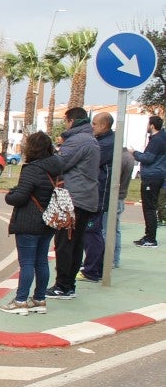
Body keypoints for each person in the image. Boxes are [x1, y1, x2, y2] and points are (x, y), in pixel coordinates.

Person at [0, 131, 61, 314]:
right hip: (49, 220)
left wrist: (10, 195)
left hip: (29, 221)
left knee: (26, 262)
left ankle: (20, 301)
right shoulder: (56, 166)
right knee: (41, 261)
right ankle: (39, 299)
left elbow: (20, 196)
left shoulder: (32, 168)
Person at [47, 107, 100, 299]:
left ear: (71, 121)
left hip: (73, 199)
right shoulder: (90, 139)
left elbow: (59, 164)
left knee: (65, 242)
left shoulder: (77, 141)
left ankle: (62, 285)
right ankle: (69, 285)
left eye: (65, 121)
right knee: (75, 243)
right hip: (85, 197)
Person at [81, 112, 115, 281]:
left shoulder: (106, 144)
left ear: (103, 125)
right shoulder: (104, 141)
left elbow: (90, 163)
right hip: (98, 191)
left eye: (94, 123)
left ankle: (92, 270)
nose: (92, 127)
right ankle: (95, 267)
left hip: (99, 193)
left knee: (92, 231)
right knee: (94, 231)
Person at [132, 114, 166, 248]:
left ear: (152, 125)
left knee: (149, 208)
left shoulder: (157, 140)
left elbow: (148, 158)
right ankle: (148, 236)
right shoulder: (160, 138)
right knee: (149, 208)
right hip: (155, 175)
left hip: (152, 176)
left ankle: (151, 238)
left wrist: (134, 152)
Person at [115, 146, 135, 266]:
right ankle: (114, 259)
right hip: (121, 196)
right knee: (115, 230)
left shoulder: (120, 158)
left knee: (108, 231)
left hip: (116, 196)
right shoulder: (128, 157)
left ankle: (111, 260)